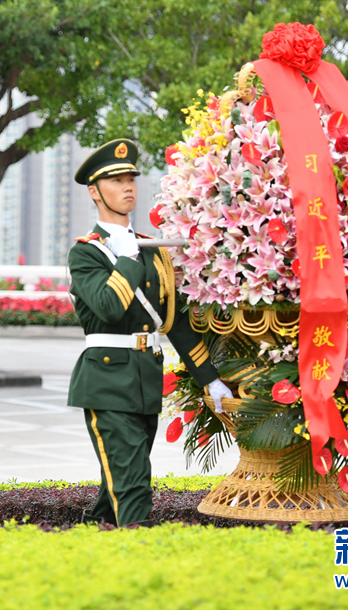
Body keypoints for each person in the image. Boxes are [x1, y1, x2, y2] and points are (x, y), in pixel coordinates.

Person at [68, 139, 232, 528]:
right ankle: (138, 551)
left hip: (143, 380)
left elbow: (173, 322)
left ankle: (95, 535)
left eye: (130, 179)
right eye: (115, 180)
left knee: (122, 479)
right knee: (133, 482)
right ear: (94, 192)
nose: (127, 187)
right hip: (106, 379)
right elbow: (108, 307)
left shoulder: (153, 249)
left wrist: (210, 379)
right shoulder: (87, 253)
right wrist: (125, 258)